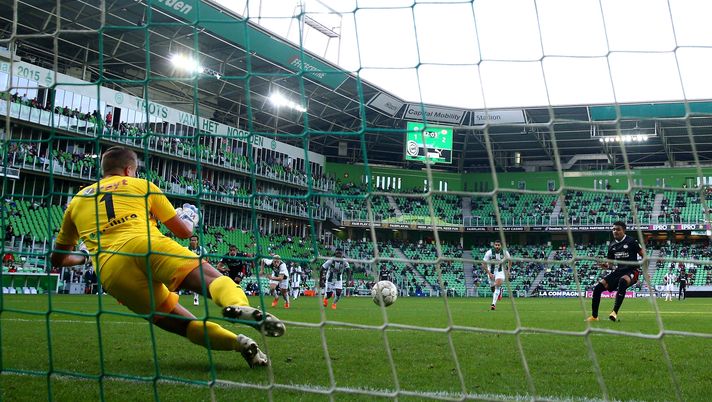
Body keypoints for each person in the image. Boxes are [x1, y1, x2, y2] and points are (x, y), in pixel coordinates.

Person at [50, 146, 284, 369]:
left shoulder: (77, 200)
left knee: (184, 324)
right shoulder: (142, 185)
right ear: (129, 170)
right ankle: (239, 306)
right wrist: (189, 217)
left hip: (112, 269)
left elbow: (58, 260)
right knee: (212, 280)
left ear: (104, 170)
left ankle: (239, 344)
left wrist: (85, 257)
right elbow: (183, 232)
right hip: (147, 244)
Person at [586, 221, 645, 322]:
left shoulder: (632, 241)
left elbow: (644, 255)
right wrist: (605, 265)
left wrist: (645, 270)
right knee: (597, 288)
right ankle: (594, 316)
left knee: (623, 281)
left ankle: (614, 312)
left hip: (632, 270)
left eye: (618, 229)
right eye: (613, 229)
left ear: (624, 230)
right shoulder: (612, 245)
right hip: (619, 271)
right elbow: (610, 265)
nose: (615, 231)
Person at [482, 239, 511, 311]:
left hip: (500, 271)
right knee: (492, 288)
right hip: (491, 272)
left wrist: (508, 271)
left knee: (497, 285)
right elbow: (483, 264)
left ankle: (493, 304)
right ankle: (500, 290)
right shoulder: (489, 252)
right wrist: (489, 273)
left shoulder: (505, 252)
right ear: (494, 245)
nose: (497, 246)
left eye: (498, 245)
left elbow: (510, 261)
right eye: (496, 245)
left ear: (501, 246)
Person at [187, 235, 209, 306]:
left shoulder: (202, 249)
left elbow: (207, 256)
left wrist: (205, 264)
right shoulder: (187, 249)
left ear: (197, 241)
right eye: (192, 240)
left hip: (199, 267)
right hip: (189, 268)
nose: (193, 241)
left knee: (198, 282)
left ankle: (196, 298)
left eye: (194, 240)